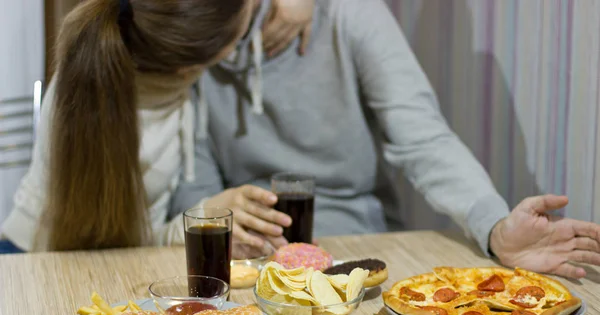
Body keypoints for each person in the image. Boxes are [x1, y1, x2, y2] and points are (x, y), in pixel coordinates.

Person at [171, 0, 600, 279]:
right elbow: (194, 185)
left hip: (355, 246)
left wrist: (495, 227)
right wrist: (214, 216)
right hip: (246, 259)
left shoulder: (348, 15)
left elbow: (424, 140)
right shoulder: (181, 36)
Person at [0, 0, 311, 252]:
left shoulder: (140, 37)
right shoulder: (115, 105)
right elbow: (112, 257)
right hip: (47, 262)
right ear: (191, 65)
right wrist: (200, 219)